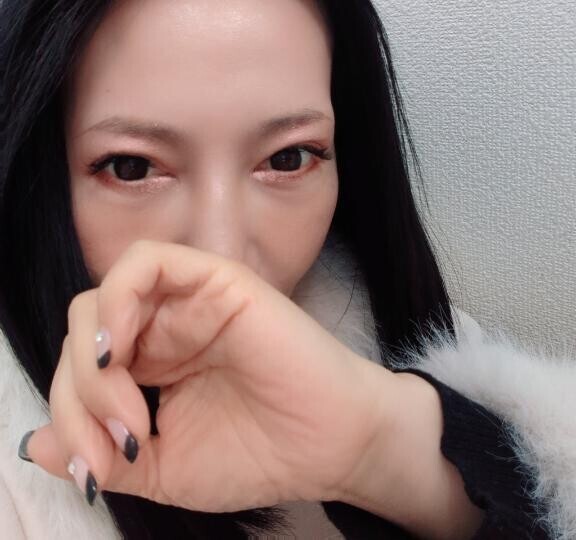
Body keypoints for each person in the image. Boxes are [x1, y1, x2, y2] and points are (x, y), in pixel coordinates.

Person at [0, 0, 572, 538]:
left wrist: (382, 451)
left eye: (287, 158)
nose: (222, 257)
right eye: (132, 167)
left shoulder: (429, 354)